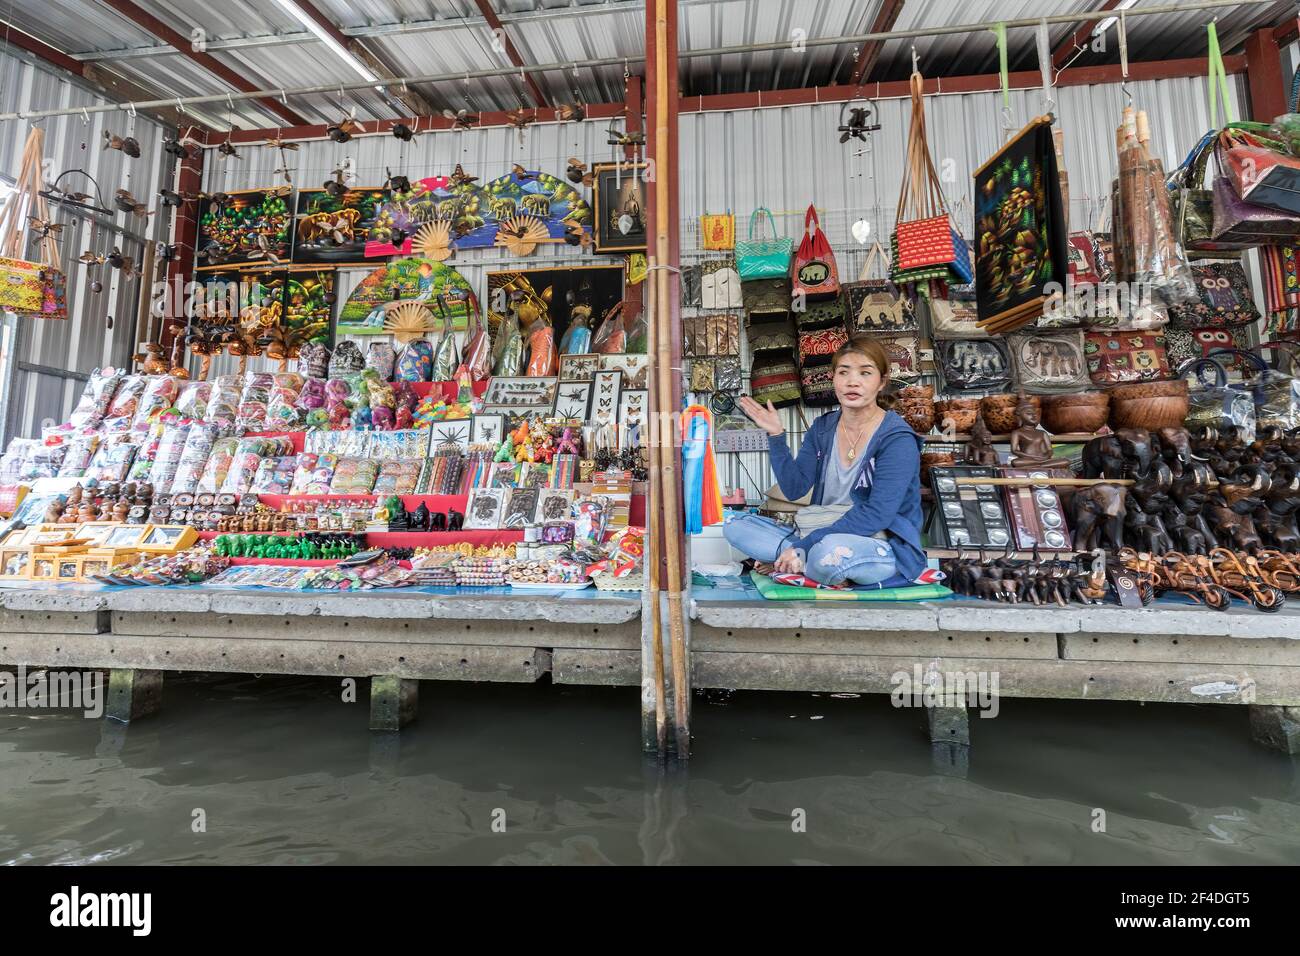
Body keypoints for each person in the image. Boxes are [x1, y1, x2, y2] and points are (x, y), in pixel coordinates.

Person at [725, 334, 926, 588]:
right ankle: (803, 563)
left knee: (829, 553)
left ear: (881, 381)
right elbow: (795, 488)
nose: (852, 382)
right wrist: (776, 436)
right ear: (833, 378)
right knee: (735, 526)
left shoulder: (897, 438)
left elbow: (878, 515)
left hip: (876, 542)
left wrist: (804, 545)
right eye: (844, 373)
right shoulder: (823, 428)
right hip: (820, 532)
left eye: (865, 373)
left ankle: (798, 561)